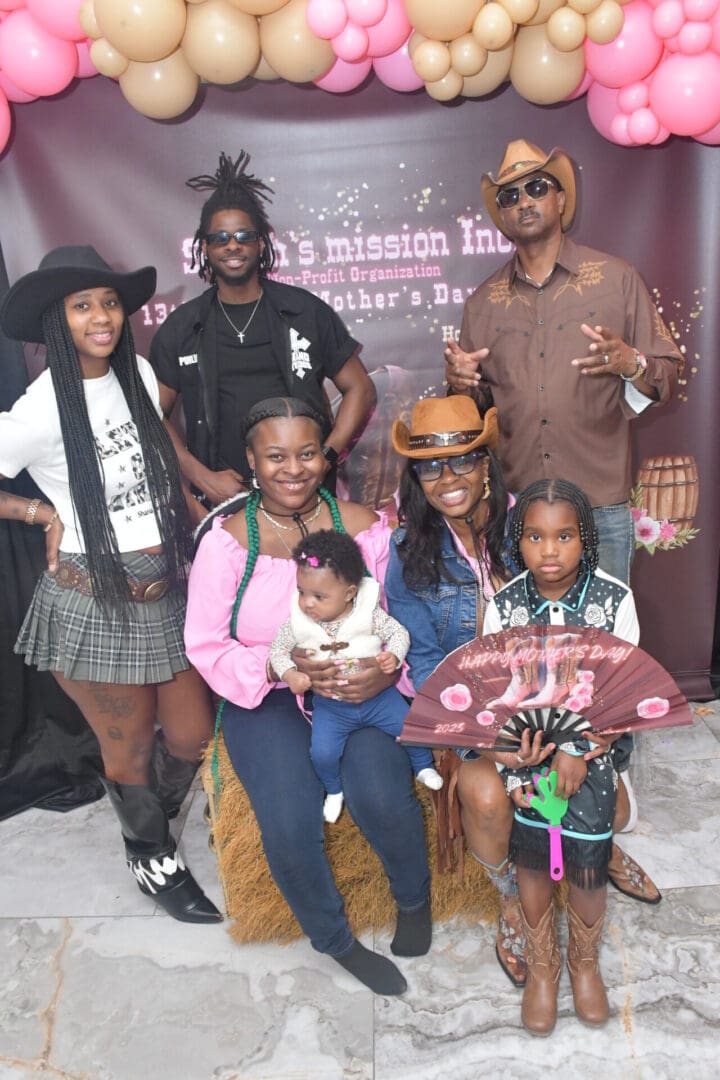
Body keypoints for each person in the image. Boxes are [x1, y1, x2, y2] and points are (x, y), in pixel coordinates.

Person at [384, 396, 660, 993]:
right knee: (486, 799)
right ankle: (511, 897)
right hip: (481, 715)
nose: (447, 478)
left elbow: (602, 641)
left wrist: (578, 736)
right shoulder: (407, 551)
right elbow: (426, 660)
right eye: (430, 466)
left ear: (488, 462)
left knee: (600, 800)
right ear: (415, 477)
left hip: (570, 709)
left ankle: (602, 847)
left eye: (462, 460)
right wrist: (491, 733)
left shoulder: (536, 518)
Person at [0, 246, 220, 923]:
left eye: (108, 302)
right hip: (95, 602)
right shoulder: (39, 411)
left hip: (165, 591)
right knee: (127, 744)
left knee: (188, 736)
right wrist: (41, 511)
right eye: (82, 305)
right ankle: (150, 854)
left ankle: (150, 814)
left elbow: (161, 454)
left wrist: (198, 511)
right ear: (54, 319)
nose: (102, 317)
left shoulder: (141, 374)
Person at [184, 396, 431, 996]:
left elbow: (399, 617)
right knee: (289, 817)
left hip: (358, 689)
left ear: (327, 456)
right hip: (268, 693)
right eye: (274, 455)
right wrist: (279, 671)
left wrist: (384, 670)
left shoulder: (366, 528)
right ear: (250, 459)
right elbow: (206, 644)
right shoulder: (225, 543)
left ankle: (414, 900)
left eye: (307, 453)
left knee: (380, 788)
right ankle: (334, 939)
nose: (292, 468)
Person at [444, 139, 682, 585]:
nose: (524, 202)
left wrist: (631, 363)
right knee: (528, 645)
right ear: (501, 216)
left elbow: (667, 374)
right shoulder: (482, 302)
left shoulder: (616, 279)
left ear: (561, 198)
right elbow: (477, 409)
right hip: (519, 509)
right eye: (510, 196)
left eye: (536, 187)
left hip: (600, 507)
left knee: (603, 646)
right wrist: (461, 386)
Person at [483, 477, 642, 1035]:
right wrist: (516, 755)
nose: (549, 551)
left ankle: (584, 964)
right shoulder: (503, 606)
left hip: (592, 758)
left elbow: (625, 689)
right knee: (531, 862)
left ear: (586, 538)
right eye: (534, 536)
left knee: (587, 867)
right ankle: (545, 968)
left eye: (564, 536)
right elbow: (498, 690)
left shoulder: (613, 600)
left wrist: (579, 749)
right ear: (517, 540)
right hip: (528, 757)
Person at [149, 150, 376, 510]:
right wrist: (200, 476)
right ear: (204, 247)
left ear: (260, 242)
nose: (233, 245)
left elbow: (360, 389)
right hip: (224, 497)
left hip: (305, 495)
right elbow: (151, 413)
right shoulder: (182, 327)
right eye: (220, 238)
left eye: (243, 235)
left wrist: (324, 458)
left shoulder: (304, 310)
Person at [269, 529, 443, 823]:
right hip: (332, 706)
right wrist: (289, 674)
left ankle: (423, 765)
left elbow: (397, 633)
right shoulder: (296, 623)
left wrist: (394, 657)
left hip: (380, 698)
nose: (307, 603)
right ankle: (334, 790)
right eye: (302, 592)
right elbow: (277, 650)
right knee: (322, 752)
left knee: (410, 728)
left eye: (319, 596)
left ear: (349, 593)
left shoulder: (368, 613)